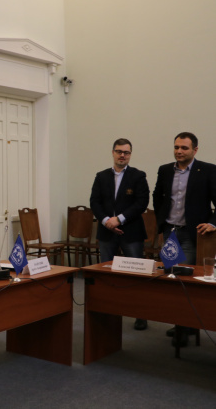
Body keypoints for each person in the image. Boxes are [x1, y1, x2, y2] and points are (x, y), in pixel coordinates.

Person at [153, 132, 216, 347]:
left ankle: (185, 325)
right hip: (170, 233)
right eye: (176, 147)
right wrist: (161, 221)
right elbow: (157, 196)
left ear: (195, 150)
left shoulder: (207, 170)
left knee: (184, 280)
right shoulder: (165, 170)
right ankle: (179, 322)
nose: (179, 151)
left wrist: (213, 223)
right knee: (171, 279)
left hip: (192, 234)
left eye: (184, 148)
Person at [89, 138, 149, 330]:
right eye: (119, 151)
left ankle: (140, 314)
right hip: (107, 232)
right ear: (113, 153)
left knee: (136, 275)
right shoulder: (101, 176)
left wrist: (119, 219)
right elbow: (94, 202)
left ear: (130, 154)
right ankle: (108, 311)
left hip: (131, 232)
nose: (122, 155)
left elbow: (141, 203)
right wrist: (107, 221)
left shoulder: (138, 176)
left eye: (126, 152)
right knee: (106, 274)